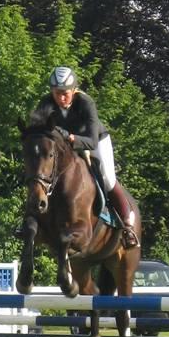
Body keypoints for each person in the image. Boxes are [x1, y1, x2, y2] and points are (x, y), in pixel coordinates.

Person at [28, 66, 140, 248]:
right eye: (57, 93)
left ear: (74, 90)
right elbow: (38, 130)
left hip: (93, 141)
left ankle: (127, 224)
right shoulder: (46, 103)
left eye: (65, 93)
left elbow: (92, 141)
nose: (61, 98)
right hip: (62, 147)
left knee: (108, 179)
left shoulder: (85, 103)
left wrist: (70, 138)